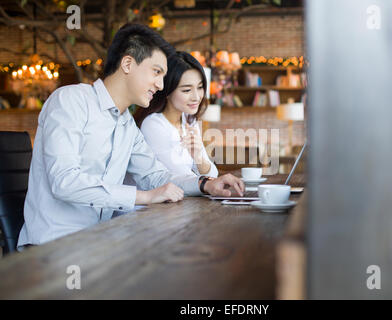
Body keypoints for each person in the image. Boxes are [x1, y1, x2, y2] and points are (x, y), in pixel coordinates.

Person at [17, 23, 244, 249]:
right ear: (127, 64)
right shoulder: (70, 101)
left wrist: (206, 184)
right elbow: (64, 182)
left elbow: (156, 177)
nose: (161, 85)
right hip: (52, 246)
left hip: (99, 242)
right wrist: (144, 197)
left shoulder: (126, 125)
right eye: (156, 72)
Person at [134, 51, 218, 178]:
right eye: (187, 90)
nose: (196, 97)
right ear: (167, 91)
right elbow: (181, 178)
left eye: (200, 87)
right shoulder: (153, 125)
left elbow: (213, 175)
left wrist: (198, 157)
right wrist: (207, 182)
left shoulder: (189, 120)